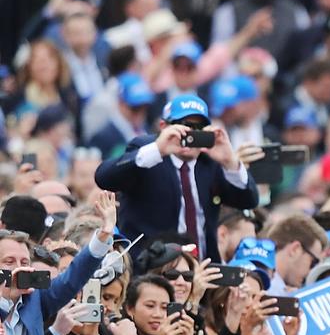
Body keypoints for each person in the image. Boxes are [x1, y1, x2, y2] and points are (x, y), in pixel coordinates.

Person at [93, 93, 260, 262]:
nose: (189, 134)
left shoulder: (209, 160)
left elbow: (248, 200)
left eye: (198, 128)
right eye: (183, 126)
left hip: (201, 267)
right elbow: (104, 178)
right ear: (163, 126)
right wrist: (158, 149)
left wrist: (230, 161)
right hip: (151, 269)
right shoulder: (146, 150)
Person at [0, 192, 118, 335]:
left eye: (24, 262)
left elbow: (73, 277)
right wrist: (4, 301)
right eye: (9, 262)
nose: (19, 268)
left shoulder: (36, 299)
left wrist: (104, 235)